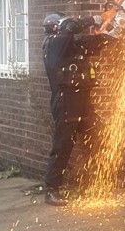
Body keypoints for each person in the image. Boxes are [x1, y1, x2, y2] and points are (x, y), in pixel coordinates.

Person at [42, 11, 112, 206]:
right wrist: (93, 19)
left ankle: (97, 181)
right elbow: (71, 28)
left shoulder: (70, 44)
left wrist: (110, 35)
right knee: (63, 145)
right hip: (65, 101)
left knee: (95, 137)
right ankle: (52, 189)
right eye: (66, 25)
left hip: (82, 99)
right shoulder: (54, 43)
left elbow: (92, 44)